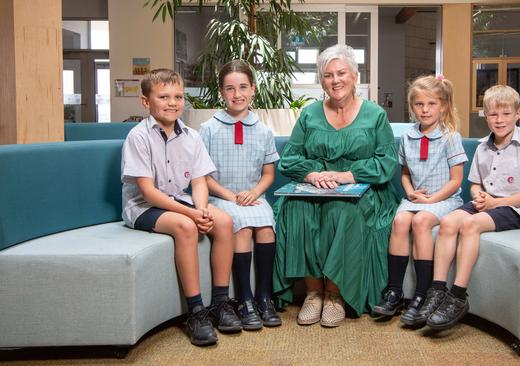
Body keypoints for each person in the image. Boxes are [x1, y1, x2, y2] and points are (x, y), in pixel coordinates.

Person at [273, 44, 399, 327]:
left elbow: (386, 162)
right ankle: (314, 292)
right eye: (328, 75)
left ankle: (335, 294)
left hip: (364, 191)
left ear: (355, 76)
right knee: (297, 208)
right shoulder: (309, 114)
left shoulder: (375, 115)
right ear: (322, 81)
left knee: (341, 210)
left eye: (341, 73)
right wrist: (312, 175)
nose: (335, 80)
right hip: (316, 187)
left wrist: (346, 175)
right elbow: (290, 159)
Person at [121, 69, 241, 347]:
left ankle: (220, 303)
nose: (172, 102)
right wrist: (191, 214)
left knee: (223, 221)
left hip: (180, 201)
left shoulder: (191, 136)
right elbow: (148, 192)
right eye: (163, 97)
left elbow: (200, 181)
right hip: (143, 206)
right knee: (186, 226)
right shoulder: (138, 137)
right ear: (145, 101)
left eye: (178, 96)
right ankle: (196, 311)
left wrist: (202, 210)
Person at [425, 84, 520, 332]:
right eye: (493, 114)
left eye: (505, 114)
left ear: (517, 115)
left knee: (470, 225)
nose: (499, 120)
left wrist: (496, 203)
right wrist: (479, 196)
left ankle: (458, 296)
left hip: (515, 208)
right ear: (486, 116)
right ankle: (437, 290)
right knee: (449, 221)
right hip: (487, 203)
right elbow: (474, 184)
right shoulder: (483, 147)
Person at [372, 75, 467, 328]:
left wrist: (432, 199)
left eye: (431, 104)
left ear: (443, 106)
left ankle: (422, 294)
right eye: (419, 104)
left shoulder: (450, 137)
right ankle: (394, 292)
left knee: (422, 221)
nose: (425, 110)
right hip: (416, 196)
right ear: (412, 107)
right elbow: (404, 174)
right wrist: (411, 193)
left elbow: (456, 180)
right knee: (401, 220)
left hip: (444, 198)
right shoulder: (407, 137)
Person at [199, 60, 281, 330]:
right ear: (221, 92)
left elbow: (268, 173)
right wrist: (232, 196)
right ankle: (244, 300)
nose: (237, 94)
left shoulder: (263, 130)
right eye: (230, 89)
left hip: (254, 196)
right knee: (243, 228)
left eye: (243, 87)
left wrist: (254, 192)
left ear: (253, 89)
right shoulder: (208, 129)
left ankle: (264, 297)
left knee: (266, 227)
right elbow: (205, 177)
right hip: (221, 198)